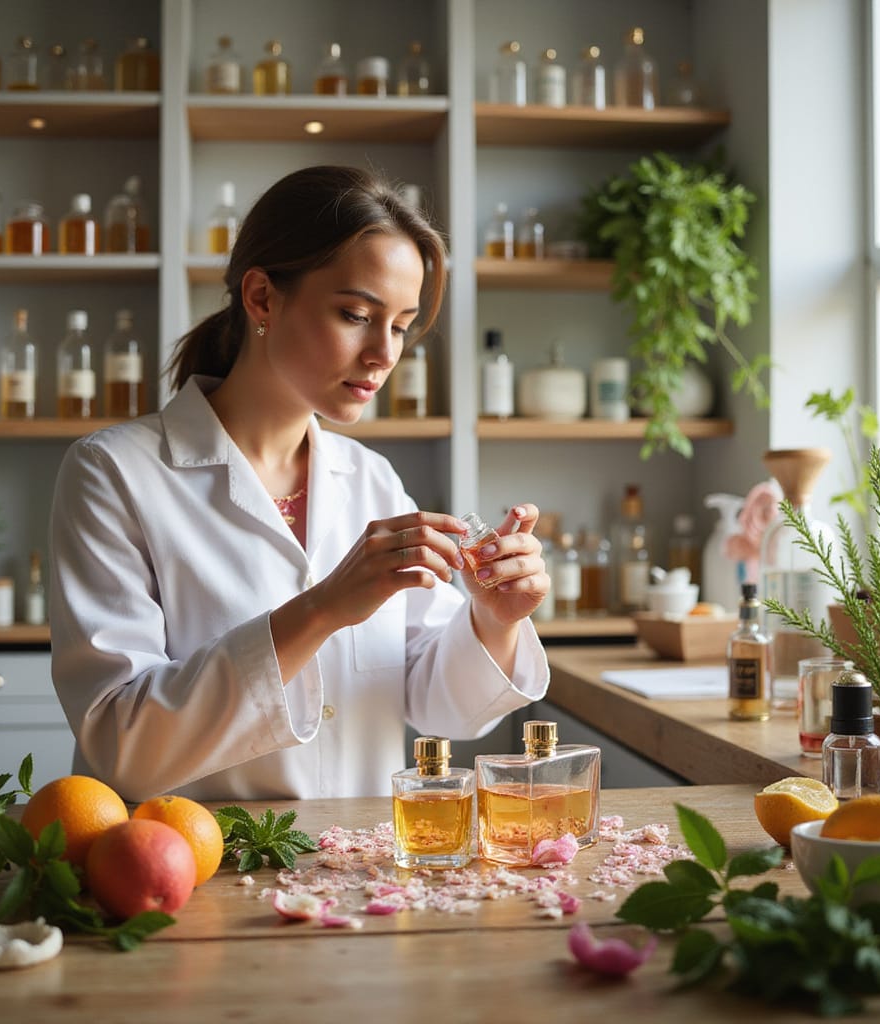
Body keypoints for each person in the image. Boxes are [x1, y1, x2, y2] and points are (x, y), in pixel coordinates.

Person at [49, 164, 551, 802]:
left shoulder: (370, 478)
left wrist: (494, 619)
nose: (383, 354)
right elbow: (122, 747)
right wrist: (321, 610)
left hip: (354, 878)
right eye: (354, 314)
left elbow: (439, 706)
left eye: (400, 326)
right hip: (196, 874)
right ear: (261, 297)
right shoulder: (114, 472)